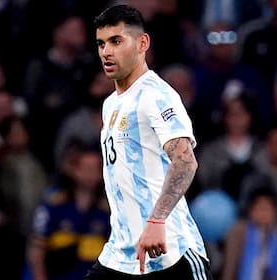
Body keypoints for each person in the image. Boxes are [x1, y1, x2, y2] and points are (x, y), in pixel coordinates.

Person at [84, 4, 213, 279]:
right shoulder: (110, 105)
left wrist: (157, 220)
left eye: (116, 41)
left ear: (142, 43)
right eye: (101, 43)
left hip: (170, 251)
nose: (106, 51)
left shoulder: (157, 95)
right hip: (120, 256)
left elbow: (185, 161)